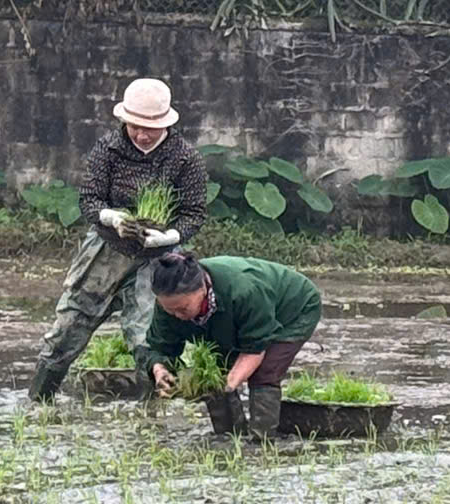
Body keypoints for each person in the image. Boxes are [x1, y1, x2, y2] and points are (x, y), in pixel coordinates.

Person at [29, 77, 210, 403]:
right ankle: (39, 400)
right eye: (134, 126)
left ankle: (151, 412)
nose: (141, 134)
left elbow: (194, 213)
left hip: (158, 261)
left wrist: (170, 235)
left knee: (148, 334)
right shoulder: (109, 148)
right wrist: (113, 218)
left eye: (149, 128)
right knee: (70, 324)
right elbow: (89, 200)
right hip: (106, 251)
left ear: (165, 124)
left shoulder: (185, 159)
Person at [143, 251, 324, 442]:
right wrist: (160, 370)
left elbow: (254, 349)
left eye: (183, 309)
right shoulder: (169, 306)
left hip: (294, 309)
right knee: (214, 371)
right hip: (236, 316)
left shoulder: (244, 291)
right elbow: (160, 347)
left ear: (203, 289)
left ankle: (262, 441)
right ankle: (228, 436)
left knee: (264, 372)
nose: (177, 315)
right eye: (169, 310)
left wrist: (228, 383)